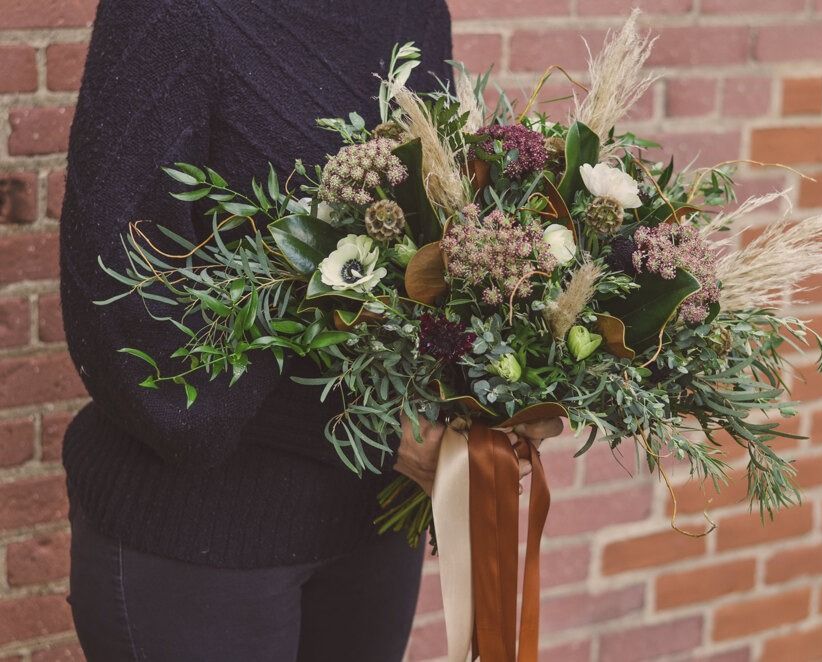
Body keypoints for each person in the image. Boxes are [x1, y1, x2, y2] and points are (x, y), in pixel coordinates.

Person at [59, 1, 563, 660]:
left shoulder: (413, 14)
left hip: (372, 531)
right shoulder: (173, 13)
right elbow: (121, 312)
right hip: (197, 543)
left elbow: (424, 248)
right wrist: (376, 433)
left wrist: (487, 397)